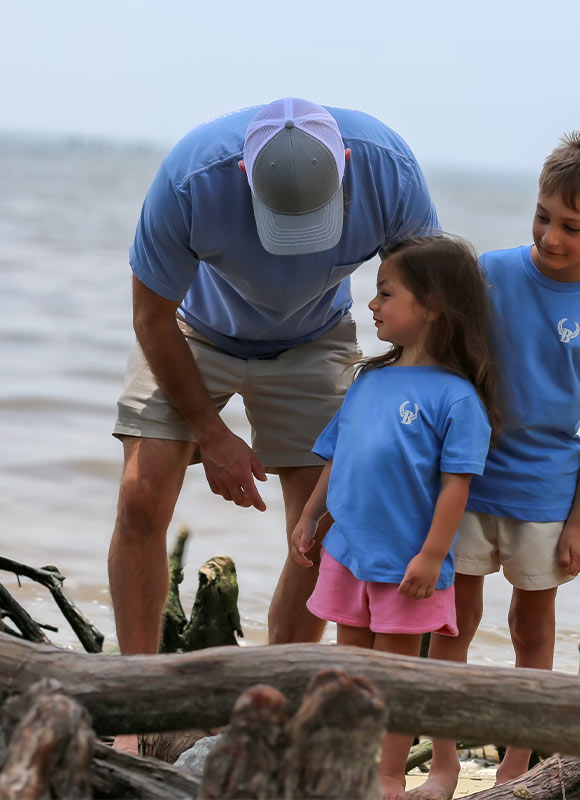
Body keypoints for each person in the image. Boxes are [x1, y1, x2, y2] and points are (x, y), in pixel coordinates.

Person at [108, 98, 438, 749]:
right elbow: (150, 318)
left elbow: (427, 303)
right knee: (141, 497)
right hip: (192, 333)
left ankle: (269, 711)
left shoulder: (388, 169)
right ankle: (131, 707)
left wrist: (398, 408)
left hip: (317, 339)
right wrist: (212, 434)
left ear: (344, 165)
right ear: (244, 174)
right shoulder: (190, 178)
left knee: (329, 519)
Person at [410, 133, 580, 799]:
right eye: (543, 216)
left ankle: (518, 768)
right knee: (451, 622)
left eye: (572, 226)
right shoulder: (488, 273)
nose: (551, 235)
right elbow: (443, 363)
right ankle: (445, 763)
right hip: (468, 482)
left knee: (531, 630)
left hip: (546, 494)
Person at [290, 235, 502, 800]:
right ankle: (350, 770)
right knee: (349, 676)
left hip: (407, 564)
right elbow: (340, 458)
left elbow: (458, 487)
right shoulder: (368, 381)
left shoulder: (457, 399)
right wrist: (312, 517)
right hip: (350, 553)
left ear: (431, 305)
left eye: (386, 293)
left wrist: (432, 555)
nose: (372, 305)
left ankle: (387, 777)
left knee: (396, 682)